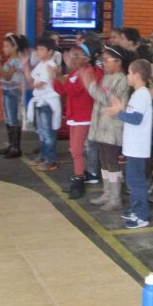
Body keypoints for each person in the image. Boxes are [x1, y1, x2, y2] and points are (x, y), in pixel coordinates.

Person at [104, 59, 153, 229]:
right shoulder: (138, 94)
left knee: (137, 182)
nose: (127, 76)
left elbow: (136, 119)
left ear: (137, 76)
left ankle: (141, 216)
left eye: (130, 73)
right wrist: (120, 110)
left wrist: (118, 113)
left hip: (137, 148)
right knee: (132, 181)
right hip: (133, 146)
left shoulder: (142, 95)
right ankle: (135, 209)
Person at [52, 39, 104, 199]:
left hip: (84, 116)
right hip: (74, 115)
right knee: (75, 150)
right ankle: (78, 177)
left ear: (87, 58)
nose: (73, 58)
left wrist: (60, 76)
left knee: (76, 150)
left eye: (77, 55)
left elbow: (74, 90)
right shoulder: (76, 71)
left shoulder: (90, 72)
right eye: (73, 55)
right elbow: (62, 90)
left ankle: (79, 182)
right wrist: (57, 78)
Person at [84, 45, 130, 211]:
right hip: (101, 125)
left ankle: (115, 198)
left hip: (112, 127)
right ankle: (107, 193)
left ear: (118, 61)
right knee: (104, 161)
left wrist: (91, 86)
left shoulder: (121, 79)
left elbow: (110, 100)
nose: (103, 63)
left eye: (106, 60)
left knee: (112, 161)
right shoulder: (107, 77)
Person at [24, 37, 61, 171]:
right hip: (40, 101)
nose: (38, 52)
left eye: (41, 49)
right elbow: (31, 80)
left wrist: (26, 70)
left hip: (47, 103)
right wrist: (26, 67)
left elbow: (36, 84)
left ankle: (51, 160)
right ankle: (43, 156)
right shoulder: (41, 64)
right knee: (41, 132)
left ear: (50, 51)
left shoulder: (51, 65)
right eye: (37, 49)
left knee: (48, 133)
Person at [0, 33, 28, 159]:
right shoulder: (10, 60)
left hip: (13, 91)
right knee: (8, 119)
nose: (4, 49)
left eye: (7, 46)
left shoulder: (16, 61)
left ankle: (16, 148)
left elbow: (7, 76)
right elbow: (3, 75)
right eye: (4, 46)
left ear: (15, 47)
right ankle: (11, 144)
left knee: (13, 119)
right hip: (6, 90)